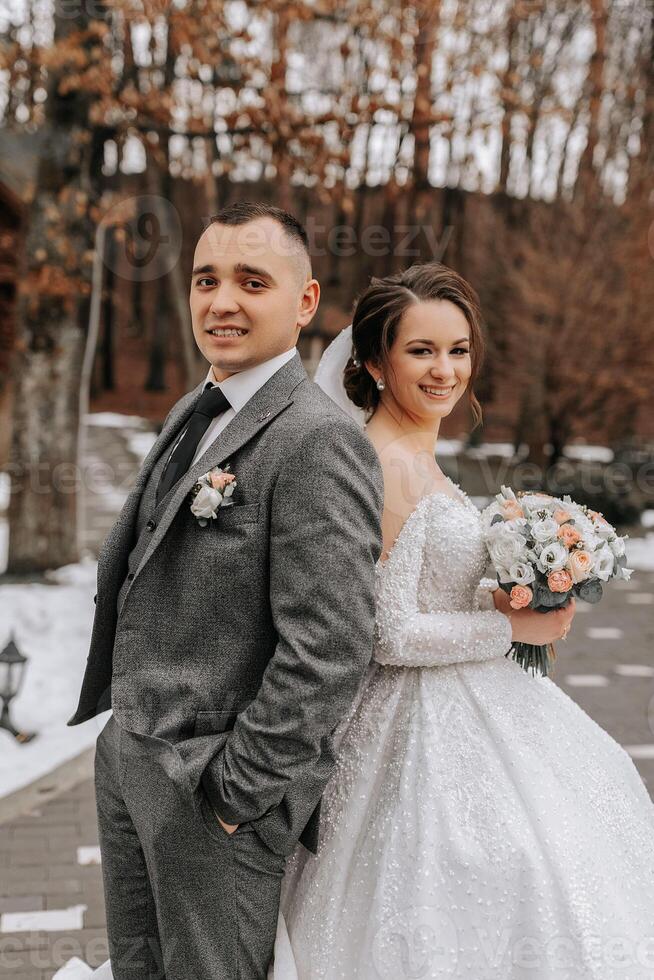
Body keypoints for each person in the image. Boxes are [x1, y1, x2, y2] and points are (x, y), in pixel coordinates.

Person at [272, 262, 654, 979]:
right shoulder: (383, 464)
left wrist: (515, 589)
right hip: (412, 725)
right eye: (421, 350)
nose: (445, 370)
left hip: (475, 696)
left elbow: (430, 584)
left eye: (458, 349)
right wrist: (515, 630)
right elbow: (389, 634)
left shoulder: (422, 454)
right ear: (375, 362)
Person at [68, 202, 384, 979]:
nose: (222, 301)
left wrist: (234, 794)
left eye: (252, 281)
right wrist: (122, 741)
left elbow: (331, 643)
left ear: (304, 303)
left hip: (213, 792)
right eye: (206, 279)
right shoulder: (193, 408)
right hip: (130, 757)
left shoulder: (317, 440)